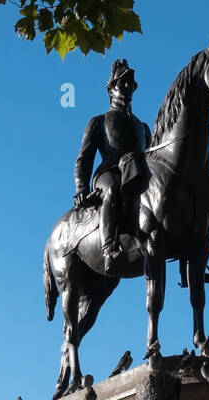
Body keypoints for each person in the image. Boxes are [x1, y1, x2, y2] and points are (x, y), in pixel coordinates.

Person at [72, 58, 151, 272]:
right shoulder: (99, 121)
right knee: (113, 187)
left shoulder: (142, 127)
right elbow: (84, 158)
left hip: (135, 173)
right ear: (111, 89)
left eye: (130, 84)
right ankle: (109, 249)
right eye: (121, 83)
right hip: (109, 173)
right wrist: (81, 188)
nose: (127, 87)